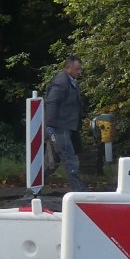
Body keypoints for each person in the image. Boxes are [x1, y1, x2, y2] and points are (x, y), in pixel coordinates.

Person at [43, 54, 88, 192]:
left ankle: (33, 188)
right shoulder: (61, 82)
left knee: (52, 163)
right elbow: (52, 102)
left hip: (66, 127)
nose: (80, 72)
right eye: (77, 69)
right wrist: (50, 125)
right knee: (70, 158)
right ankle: (80, 192)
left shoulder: (71, 81)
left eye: (80, 69)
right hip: (59, 127)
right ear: (68, 68)